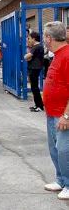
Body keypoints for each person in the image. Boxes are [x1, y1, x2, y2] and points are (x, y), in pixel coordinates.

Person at [41, 21, 69, 200]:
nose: (44, 40)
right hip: (52, 112)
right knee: (54, 148)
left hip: (62, 114)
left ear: (49, 38)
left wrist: (66, 115)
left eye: (44, 37)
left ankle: (68, 183)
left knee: (64, 149)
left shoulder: (67, 56)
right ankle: (60, 179)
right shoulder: (57, 55)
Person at [24, 32, 44, 112]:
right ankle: (38, 105)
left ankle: (39, 106)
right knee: (34, 87)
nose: (29, 40)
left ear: (34, 38)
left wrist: (26, 56)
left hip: (34, 68)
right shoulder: (37, 47)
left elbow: (27, 56)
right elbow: (28, 58)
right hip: (34, 68)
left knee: (34, 87)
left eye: (29, 38)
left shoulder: (37, 47)